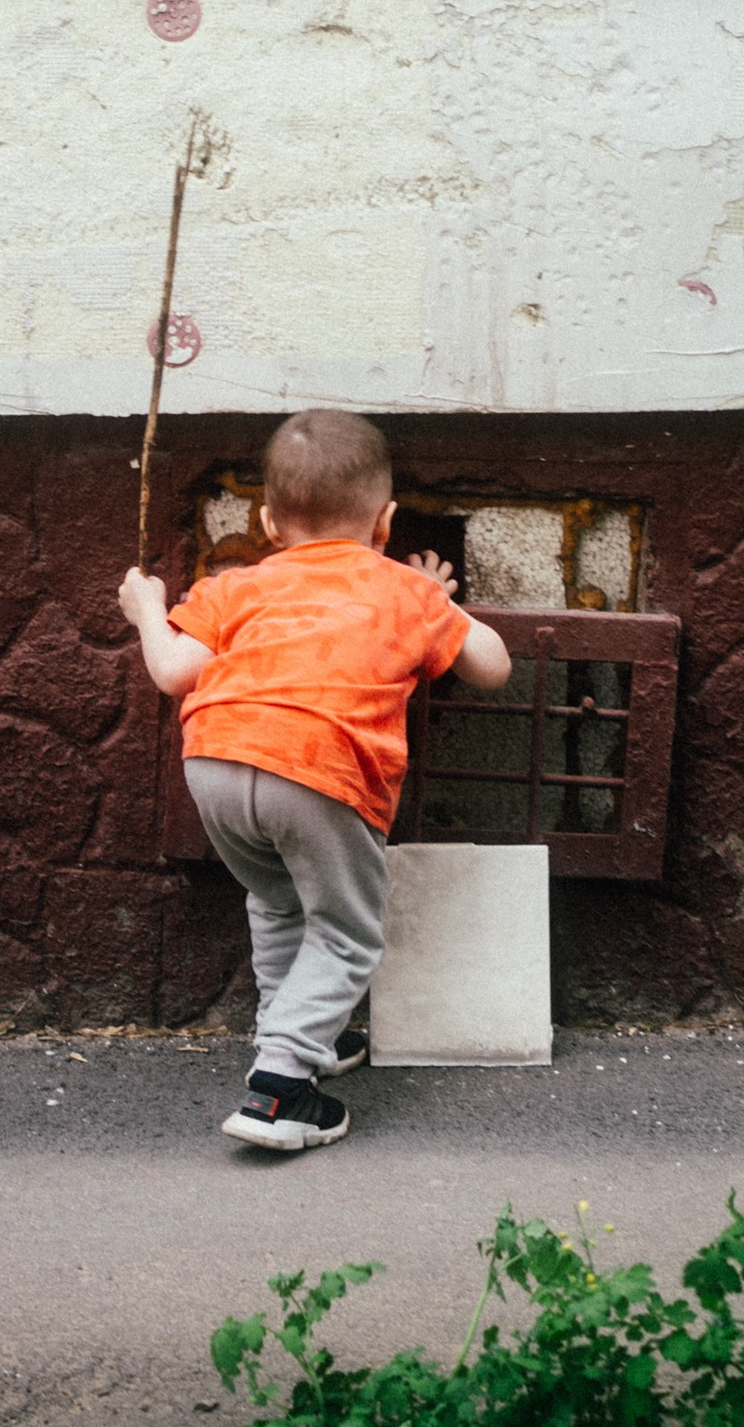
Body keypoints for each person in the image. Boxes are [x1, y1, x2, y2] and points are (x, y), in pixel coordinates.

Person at [117, 409, 512, 1150]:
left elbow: (173, 672)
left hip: (217, 765)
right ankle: (281, 1090)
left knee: (274, 899)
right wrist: (440, 601)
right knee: (348, 933)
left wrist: (146, 610)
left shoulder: (239, 588)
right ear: (386, 521)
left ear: (268, 523)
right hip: (322, 774)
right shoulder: (404, 591)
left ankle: (298, 1034)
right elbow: (493, 668)